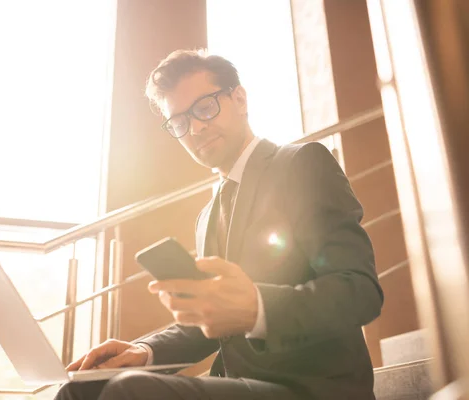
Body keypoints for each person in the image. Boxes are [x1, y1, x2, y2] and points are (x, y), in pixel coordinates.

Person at [54, 49, 384, 400]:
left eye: (205, 106)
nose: (195, 127)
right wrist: (144, 351)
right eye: (179, 122)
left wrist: (258, 307)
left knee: (130, 391)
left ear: (239, 99)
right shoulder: (208, 215)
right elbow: (212, 324)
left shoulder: (301, 164)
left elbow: (359, 291)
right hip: (242, 385)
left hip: (315, 389)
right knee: (80, 392)